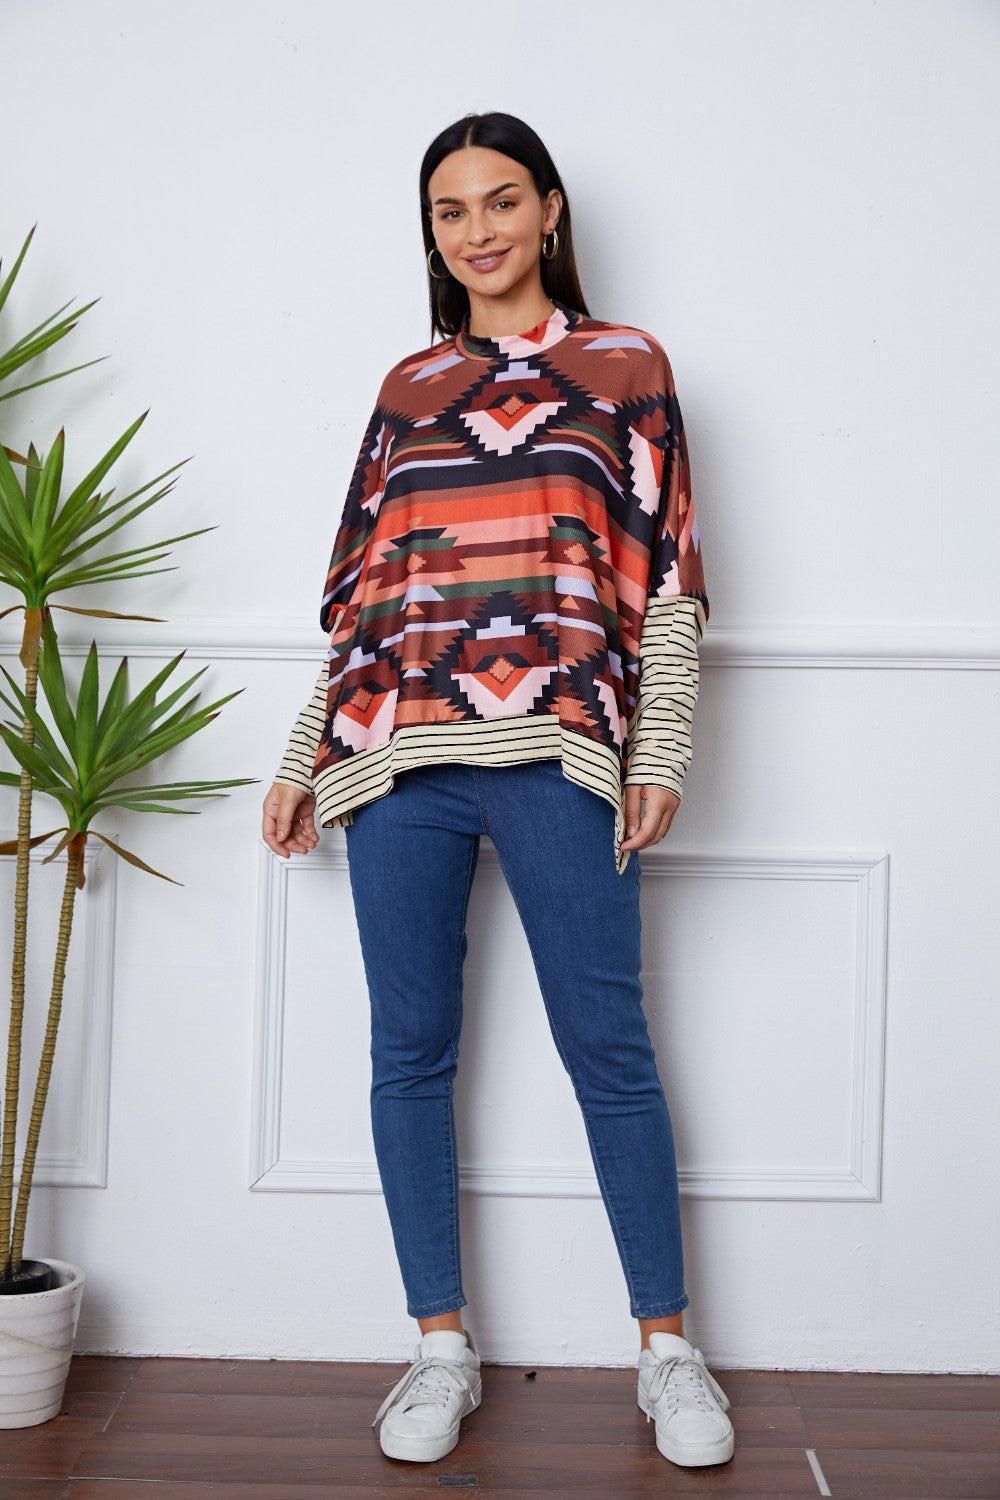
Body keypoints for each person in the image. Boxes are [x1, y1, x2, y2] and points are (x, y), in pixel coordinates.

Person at [261, 110, 734, 1471]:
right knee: (409, 1054)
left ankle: (667, 1350)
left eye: (502, 201)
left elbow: (670, 577)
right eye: (451, 211)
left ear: (551, 208)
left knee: (610, 1048)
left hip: (561, 752)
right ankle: (439, 1346)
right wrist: (302, 756)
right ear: (432, 232)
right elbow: (367, 601)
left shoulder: (627, 366)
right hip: (397, 759)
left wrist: (661, 750)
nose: (478, 232)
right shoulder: (409, 388)